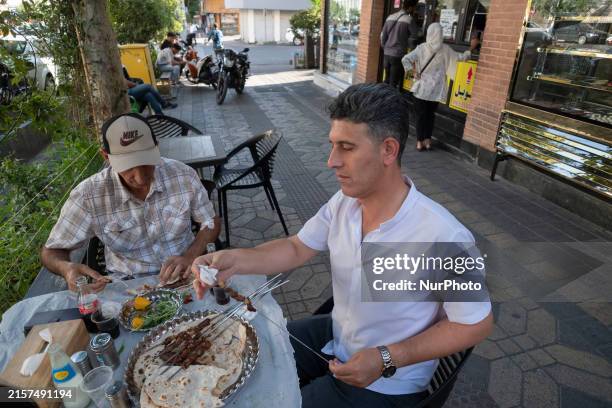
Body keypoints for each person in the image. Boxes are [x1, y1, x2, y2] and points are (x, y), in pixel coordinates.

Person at [191, 83, 493, 407]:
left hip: (387, 381)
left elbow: (474, 323)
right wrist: (234, 259)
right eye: (333, 145)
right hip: (339, 337)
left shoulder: (444, 236)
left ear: (388, 150)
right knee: (252, 353)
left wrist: (387, 358)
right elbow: (296, 247)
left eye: (347, 147)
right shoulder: (345, 203)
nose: (331, 161)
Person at [41, 113, 220, 291]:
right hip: (129, 287)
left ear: (156, 147)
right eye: (128, 165)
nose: (141, 177)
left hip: (186, 277)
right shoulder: (88, 196)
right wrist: (67, 269)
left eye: (146, 161)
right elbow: (51, 252)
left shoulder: (183, 175)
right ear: (106, 157)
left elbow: (210, 222)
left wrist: (191, 256)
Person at [402, 23, 472, 151]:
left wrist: (413, 72)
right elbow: (460, 57)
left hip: (421, 90)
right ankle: (428, 141)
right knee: (430, 116)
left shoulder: (421, 48)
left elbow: (405, 59)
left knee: (420, 117)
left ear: (429, 33)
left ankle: (419, 142)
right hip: (436, 91)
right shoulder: (445, 49)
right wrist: (469, 52)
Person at [380, 0, 419, 90]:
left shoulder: (390, 17)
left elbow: (383, 36)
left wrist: (385, 48)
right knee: (393, 83)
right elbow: (415, 36)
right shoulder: (409, 19)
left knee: (386, 79)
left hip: (387, 54)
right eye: (413, 8)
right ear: (410, 8)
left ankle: (382, 98)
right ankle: (391, 102)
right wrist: (409, 47)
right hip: (398, 54)